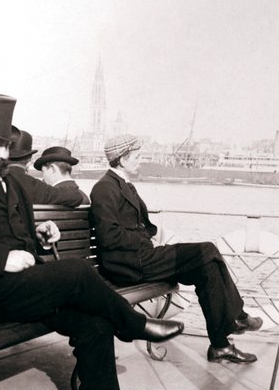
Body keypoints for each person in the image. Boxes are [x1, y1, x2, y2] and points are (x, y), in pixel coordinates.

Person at [0, 93, 184, 390]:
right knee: (77, 270)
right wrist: (3, 258)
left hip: (17, 289)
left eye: (6, 146)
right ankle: (134, 325)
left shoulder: (8, 181)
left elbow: (13, 232)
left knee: (95, 324)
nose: (3, 154)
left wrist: (39, 234)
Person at [90, 133, 263, 366]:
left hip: (140, 257)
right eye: (137, 156)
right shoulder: (104, 188)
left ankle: (220, 346)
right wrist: (144, 242)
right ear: (122, 159)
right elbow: (107, 236)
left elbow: (138, 227)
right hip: (130, 265)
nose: (141, 159)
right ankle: (239, 316)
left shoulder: (120, 185)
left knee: (208, 268)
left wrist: (147, 239)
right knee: (208, 249)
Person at [6, 128, 84, 207]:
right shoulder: (33, 186)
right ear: (29, 159)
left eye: (43, 172)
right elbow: (76, 196)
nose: (43, 178)